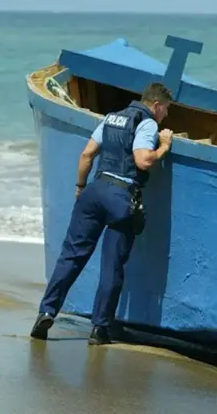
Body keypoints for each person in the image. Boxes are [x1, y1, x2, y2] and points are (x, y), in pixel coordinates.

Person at [30, 82, 175, 345]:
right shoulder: (147, 123)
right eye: (166, 109)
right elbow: (143, 160)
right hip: (121, 197)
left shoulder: (111, 118)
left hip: (94, 191)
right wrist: (164, 146)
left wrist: (80, 187)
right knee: (112, 267)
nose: (165, 115)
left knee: (71, 256)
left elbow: (87, 154)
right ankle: (99, 329)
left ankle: (46, 312)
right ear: (156, 105)